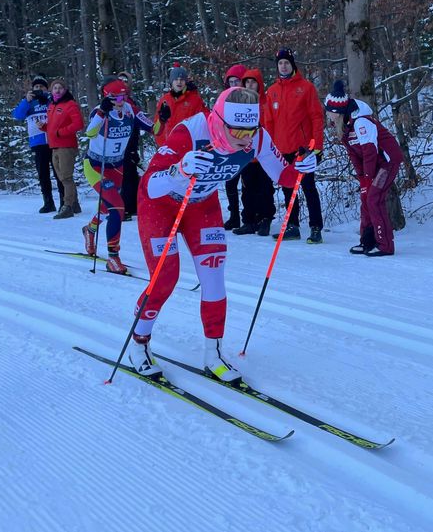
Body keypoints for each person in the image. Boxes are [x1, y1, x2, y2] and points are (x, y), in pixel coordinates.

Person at [127, 87, 317, 380]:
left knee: (214, 279)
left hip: (202, 206)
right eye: (237, 131)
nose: (245, 139)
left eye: (250, 131)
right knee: (166, 278)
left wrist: (302, 168)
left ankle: (213, 353)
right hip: (160, 206)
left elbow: (283, 176)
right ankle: (139, 343)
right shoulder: (190, 132)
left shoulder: (258, 138)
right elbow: (151, 185)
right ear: (219, 120)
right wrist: (180, 170)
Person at [81, 79, 154, 273]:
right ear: (107, 97)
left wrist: (163, 119)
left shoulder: (131, 109)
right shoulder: (99, 111)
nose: (122, 100)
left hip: (117, 166)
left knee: (107, 208)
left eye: (124, 95)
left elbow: (154, 128)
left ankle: (90, 229)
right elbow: (89, 133)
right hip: (96, 165)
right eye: (117, 97)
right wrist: (102, 112)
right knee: (118, 208)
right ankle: (113, 257)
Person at [324, 81, 403, 256]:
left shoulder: (360, 122)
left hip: (387, 163)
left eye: (329, 111)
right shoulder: (343, 126)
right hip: (373, 165)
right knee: (365, 197)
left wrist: (368, 177)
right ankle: (367, 241)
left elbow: (370, 151)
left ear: (337, 112)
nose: (327, 114)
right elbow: (354, 154)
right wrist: (362, 178)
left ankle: (385, 245)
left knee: (374, 199)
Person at [264, 48, 325, 243]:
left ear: (292, 65)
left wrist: (316, 146)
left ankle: (316, 228)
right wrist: (270, 148)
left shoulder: (306, 88)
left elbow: (316, 117)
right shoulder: (272, 91)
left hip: (303, 148)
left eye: (286, 63)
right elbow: (269, 122)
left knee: (308, 187)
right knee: (288, 188)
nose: (283, 66)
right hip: (282, 148)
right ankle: (292, 226)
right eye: (280, 63)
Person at [231, 68, 276, 236]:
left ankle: (265, 219)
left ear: (259, 84)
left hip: (263, 152)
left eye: (253, 82)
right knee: (247, 188)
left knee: (265, 188)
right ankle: (249, 220)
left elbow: (271, 125)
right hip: (246, 153)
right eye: (247, 82)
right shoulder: (240, 103)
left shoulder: (266, 102)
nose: (250, 85)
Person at [12, 76, 64, 213]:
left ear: (47, 89)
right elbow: (17, 115)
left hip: (54, 141)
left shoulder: (51, 100)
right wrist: (26, 101)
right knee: (43, 174)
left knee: (59, 173)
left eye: (42, 87)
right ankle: (48, 202)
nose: (39, 89)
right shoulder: (29, 103)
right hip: (38, 142)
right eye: (36, 87)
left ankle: (65, 202)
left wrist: (49, 97)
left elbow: (62, 109)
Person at [46, 78, 84, 219]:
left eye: (60, 88)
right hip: (54, 146)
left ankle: (67, 206)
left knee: (66, 177)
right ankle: (74, 203)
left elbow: (78, 124)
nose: (57, 90)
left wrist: (61, 132)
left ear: (65, 90)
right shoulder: (52, 106)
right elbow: (52, 126)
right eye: (55, 88)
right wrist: (44, 127)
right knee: (62, 177)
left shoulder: (70, 104)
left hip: (66, 146)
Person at [152, 63, 206, 148]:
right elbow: (156, 131)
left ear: (186, 81)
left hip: (187, 147)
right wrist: (161, 120)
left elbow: (204, 122)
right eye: (176, 79)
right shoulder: (164, 100)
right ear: (171, 81)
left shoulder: (195, 100)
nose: (179, 82)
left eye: (182, 79)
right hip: (167, 148)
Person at [221, 64, 248, 229]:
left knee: (246, 184)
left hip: (246, 146)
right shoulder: (224, 99)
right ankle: (234, 216)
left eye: (237, 81)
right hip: (229, 146)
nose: (234, 84)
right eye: (231, 82)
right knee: (230, 182)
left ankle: (248, 216)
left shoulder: (250, 99)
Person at [116, 71, 143, 219]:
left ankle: (132, 206)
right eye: (120, 81)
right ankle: (125, 207)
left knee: (131, 173)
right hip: (120, 142)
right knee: (124, 175)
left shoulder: (132, 100)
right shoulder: (119, 99)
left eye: (125, 81)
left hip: (132, 140)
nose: (123, 84)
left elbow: (139, 118)